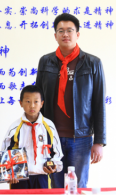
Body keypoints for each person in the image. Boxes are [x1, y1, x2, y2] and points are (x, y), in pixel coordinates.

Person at [36, 13, 106, 188]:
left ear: (77, 34)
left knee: (78, 186)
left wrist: (99, 141)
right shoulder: (45, 62)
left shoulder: (93, 63)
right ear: (55, 35)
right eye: (61, 31)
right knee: (55, 185)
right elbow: (38, 101)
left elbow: (99, 103)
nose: (65, 34)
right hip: (52, 137)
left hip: (81, 138)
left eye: (69, 30)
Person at [1, 85, 63, 189]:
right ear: (21, 103)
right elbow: (5, 151)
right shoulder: (14, 127)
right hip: (19, 179)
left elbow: (57, 152)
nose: (32, 106)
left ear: (42, 104)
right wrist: (9, 172)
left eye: (36, 102)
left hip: (42, 176)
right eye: (28, 101)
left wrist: (54, 165)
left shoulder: (49, 126)